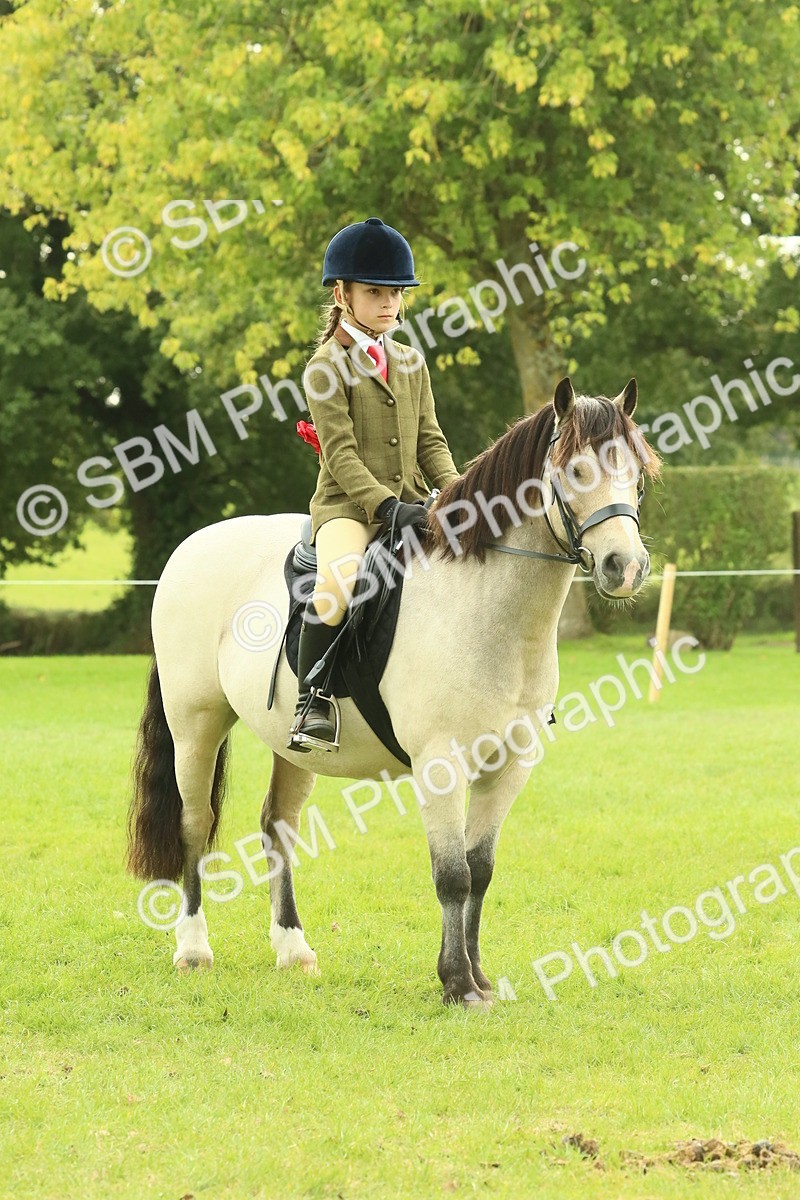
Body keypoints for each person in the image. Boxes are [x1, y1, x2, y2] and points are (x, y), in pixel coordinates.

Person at [288, 216, 460, 752]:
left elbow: (430, 441)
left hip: (413, 502)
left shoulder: (411, 361)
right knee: (339, 582)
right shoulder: (325, 367)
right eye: (374, 293)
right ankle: (311, 699)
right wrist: (386, 508)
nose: (389, 303)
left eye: (395, 293)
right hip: (348, 508)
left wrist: (460, 492)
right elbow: (339, 455)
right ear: (342, 295)